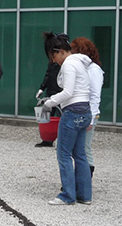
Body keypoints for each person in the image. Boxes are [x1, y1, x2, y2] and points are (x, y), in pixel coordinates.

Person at [37, 33, 93, 205]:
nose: (54, 61)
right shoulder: (80, 63)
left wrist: (50, 103)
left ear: (60, 51)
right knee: (80, 154)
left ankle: (68, 195)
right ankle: (84, 195)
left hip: (72, 112)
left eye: (53, 56)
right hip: (85, 110)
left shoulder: (68, 65)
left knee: (63, 154)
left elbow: (68, 92)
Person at [73, 38, 104, 180]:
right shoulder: (84, 69)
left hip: (89, 114)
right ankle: (81, 178)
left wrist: (91, 119)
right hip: (83, 113)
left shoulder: (94, 70)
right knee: (80, 148)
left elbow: (95, 96)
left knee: (84, 148)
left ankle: (85, 179)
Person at [34, 61, 62, 147]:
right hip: (50, 91)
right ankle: (47, 139)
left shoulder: (65, 63)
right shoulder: (52, 62)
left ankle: (61, 140)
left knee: (61, 116)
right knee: (46, 115)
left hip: (60, 92)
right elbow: (48, 75)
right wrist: (42, 88)